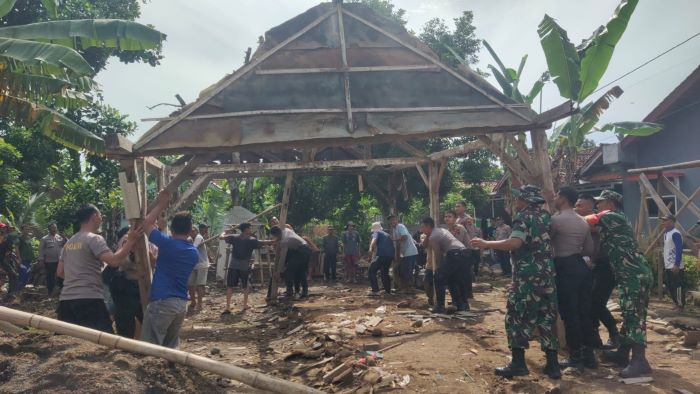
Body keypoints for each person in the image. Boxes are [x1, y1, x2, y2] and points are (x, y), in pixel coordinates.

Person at [470, 185, 561, 379]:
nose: (515, 202)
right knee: (546, 317)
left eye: (517, 199)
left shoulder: (523, 217)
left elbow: (515, 243)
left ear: (525, 201)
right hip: (547, 275)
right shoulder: (546, 217)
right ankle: (553, 365)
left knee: (516, 316)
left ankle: (518, 363)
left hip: (526, 277)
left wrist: (486, 243)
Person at [587, 190, 653, 378]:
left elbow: (585, 221)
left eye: (600, 202)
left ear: (610, 204)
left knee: (634, 315)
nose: (597, 205)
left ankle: (640, 361)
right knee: (631, 313)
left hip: (632, 274)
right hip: (634, 273)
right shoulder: (615, 220)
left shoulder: (612, 216)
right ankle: (623, 354)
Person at [56, 205, 141, 332]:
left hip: (66, 301)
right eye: (100, 215)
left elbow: (60, 272)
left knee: (69, 341)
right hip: (89, 299)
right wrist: (130, 241)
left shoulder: (69, 243)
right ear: (94, 216)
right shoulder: (94, 238)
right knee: (104, 341)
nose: (101, 218)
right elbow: (114, 261)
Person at [140, 191, 199, 348]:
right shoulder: (193, 252)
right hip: (180, 304)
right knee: (171, 349)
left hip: (162, 302)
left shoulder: (167, 244)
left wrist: (161, 204)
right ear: (189, 231)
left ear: (172, 230)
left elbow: (146, 224)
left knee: (150, 349)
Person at [550, 187, 596, 371]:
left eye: (557, 195)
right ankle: (589, 356)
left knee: (570, 315)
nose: (554, 197)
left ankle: (575, 357)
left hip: (565, 267)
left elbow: (546, 243)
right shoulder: (583, 222)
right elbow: (590, 250)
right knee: (584, 312)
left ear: (563, 198)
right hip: (581, 267)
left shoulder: (556, 220)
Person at [575, 193, 620, 349]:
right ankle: (594, 340)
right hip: (591, 267)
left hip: (605, 266)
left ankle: (614, 334)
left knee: (596, 303)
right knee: (588, 303)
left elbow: (589, 226)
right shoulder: (590, 220)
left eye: (580, 205)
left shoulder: (603, 219)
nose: (576, 208)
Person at [420, 217, 468, 314]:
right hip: (462, 254)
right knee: (452, 280)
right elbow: (425, 245)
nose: (421, 230)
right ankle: (461, 305)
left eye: (422, 227)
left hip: (454, 253)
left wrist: (438, 268)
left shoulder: (433, 236)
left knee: (438, 278)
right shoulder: (440, 230)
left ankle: (440, 306)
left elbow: (438, 255)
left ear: (428, 227)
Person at [107, 226, 144, 339]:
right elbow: (121, 263)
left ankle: (137, 343)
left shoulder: (143, 240)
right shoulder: (126, 242)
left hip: (140, 285)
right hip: (125, 286)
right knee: (125, 318)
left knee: (141, 317)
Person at [220, 223, 264, 314]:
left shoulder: (234, 237)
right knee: (245, 285)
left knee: (230, 286)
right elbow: (263, 242)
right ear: (246, 229)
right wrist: (275, 240)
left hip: (233, 265)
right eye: (250, 228)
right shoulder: (252, 240)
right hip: (243, 266)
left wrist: (224, 232)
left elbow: (221, 237)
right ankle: (244, 305)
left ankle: (228, 307)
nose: (251, 229)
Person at [270, 225, 311, 299]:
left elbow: (283, 257)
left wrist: (279, 272)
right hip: (304, 249)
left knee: (288, 272)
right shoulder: (285, 230)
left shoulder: (285, 240)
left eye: (275, 237)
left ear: (277, 235)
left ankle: (289, 293)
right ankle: (303, 292)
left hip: (300, 251)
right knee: (300, 272)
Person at [444, 210, 472, 309]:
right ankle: (456, 301)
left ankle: (463, 304)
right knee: (453, 281)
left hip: (461, 256)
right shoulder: (448, 230)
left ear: (455, 219)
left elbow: (455, 244)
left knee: (460, 281)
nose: (447, 218)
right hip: (455, 257)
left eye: (449, 216)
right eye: (446, 216)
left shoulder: (458, 228)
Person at [388, 215, 418, 293]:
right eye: (391, 220)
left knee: (407, 270)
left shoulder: (400, 226)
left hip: (410, 252)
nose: (392, 222)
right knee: (401, 270)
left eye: (393, 220)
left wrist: (394, 239)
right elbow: (398, 244)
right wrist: (397, 256)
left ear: (397, 220)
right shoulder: (395, 229)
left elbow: (405, 237)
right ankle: (403, 287)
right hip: (406, 253)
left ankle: (408, 288)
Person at [661, 214, 685, 311]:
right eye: (663, 220)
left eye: (665, 220)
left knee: (678, 286)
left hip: (675, 266)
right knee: (671, 286)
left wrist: (676, 264)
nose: (663, 222)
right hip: (668, 265)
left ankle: (681, 306)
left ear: (671, 221)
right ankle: (676, 303)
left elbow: (679, 249)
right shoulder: (666, 233)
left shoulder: (675, 233)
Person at [367, 222, 395, 296]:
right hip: (390, 255)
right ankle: (387, 291)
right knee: (384, 272)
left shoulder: (377, 232)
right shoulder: (386, 234)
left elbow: (374, 239)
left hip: (382, 254)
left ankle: (375, 290)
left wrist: (370, 248)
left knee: (371, 270)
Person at [187, 224, 210, 311]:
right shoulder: (189, 239)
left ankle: (200, 304)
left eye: (193, 231)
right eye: (190, 231)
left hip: (202, 264)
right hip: (193, 265)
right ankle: (193, 302)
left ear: (196, 231)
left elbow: (193, 247)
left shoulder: (199, 237)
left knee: (199, 286)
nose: (191, 232)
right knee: (190, 284)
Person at [39, 223, 65, 296]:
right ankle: (50, 291)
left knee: (61, 275)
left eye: (55, 228)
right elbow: (41, 250)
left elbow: (66, 245)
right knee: (50, 276)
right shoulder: (44, 239)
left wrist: (64, 237)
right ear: (49, 229)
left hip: (59, 261)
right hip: (50, 261)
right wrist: (41, 260)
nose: (54, 229)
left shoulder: (59, 237)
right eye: (53, 228)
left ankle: (60, 290)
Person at [17, 225, 33, 290]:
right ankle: (19, 290)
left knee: (27, 275)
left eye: (28, 229)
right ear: (22, 230)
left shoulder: (29, 238)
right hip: (23, 259)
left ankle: (23, 290)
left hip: (29, 259)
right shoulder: (19, 238)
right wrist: (19, 258)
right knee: (22, 275)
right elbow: (16, 248)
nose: (27, 230)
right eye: (25, 229)